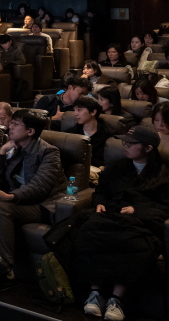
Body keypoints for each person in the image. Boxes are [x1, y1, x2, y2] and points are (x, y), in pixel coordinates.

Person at [72, 126, 169, 321]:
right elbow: (101, 191)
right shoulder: (118, 166)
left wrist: (138, 210)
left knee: (135, 243)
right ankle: (95, 293)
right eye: (124, 142)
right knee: (89, 230)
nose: (125, 147)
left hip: (140, 222)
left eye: (131, 144)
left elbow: (165, 206)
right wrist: (99, 202)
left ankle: (117, 298)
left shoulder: (163, 174)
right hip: (112, 215)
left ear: (148, 148)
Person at [0, 108, 66, 284]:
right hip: (18, 201)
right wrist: (1, 152)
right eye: (11, 123)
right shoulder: (15, 148)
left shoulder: (49, 152)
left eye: (15, 124)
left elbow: (40, 187)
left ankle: (7, 267)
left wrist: (9, 197)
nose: (9, 127)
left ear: (30, 131)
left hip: (42, 205)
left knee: (1, 206)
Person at [64, 96, 113, 180]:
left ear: (93, 112)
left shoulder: (108, 135)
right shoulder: (70, 134)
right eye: (74, 110)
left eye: (79, 110)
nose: (75, 113)